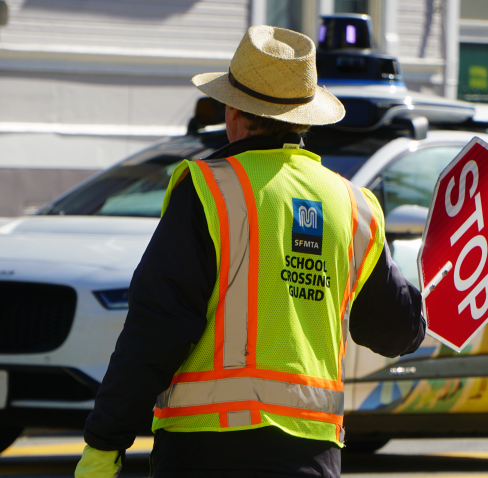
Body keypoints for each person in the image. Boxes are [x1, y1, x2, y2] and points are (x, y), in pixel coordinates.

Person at [75, 26, 425, 478]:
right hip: (313, 457)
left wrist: (105, 443)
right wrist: (423, 310)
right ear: (304, 117)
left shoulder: (209, 191)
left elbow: (155, 330)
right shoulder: (354, 206)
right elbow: (395, 332)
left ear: (233, 110)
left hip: (207, 453)